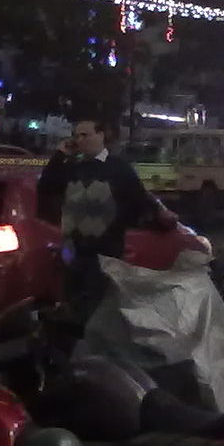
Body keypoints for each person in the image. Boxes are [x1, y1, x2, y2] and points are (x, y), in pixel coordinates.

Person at [37, 118, 175, 323]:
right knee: (72, 312)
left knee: (97, 313)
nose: (80, 140)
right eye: (76, 136)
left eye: (85, 135)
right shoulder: (73, 168)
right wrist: (60, 155)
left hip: (104, 255)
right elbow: (46, 187)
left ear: (101, 135)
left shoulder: (118, 169)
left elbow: (139, 199)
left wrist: (158, 216)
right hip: (73, 253)